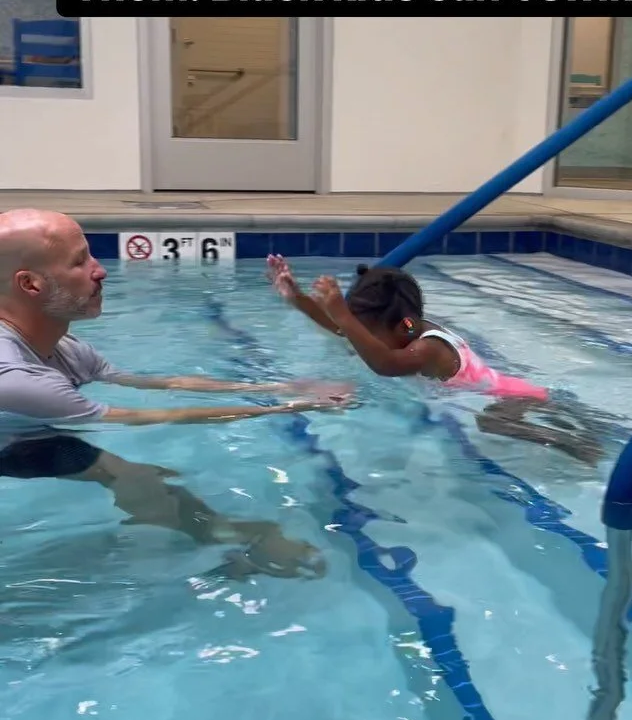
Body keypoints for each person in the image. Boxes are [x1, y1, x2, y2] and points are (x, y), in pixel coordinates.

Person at [0, 210, 352, 580]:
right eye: (79, 262)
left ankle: (225, 542)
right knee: (135, 477)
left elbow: (160, 384)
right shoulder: (16, 377)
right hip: (12, 436)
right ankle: (214, 551)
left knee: (141, 477)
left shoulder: (63, 347)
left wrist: (282, 388)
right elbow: (148, 417)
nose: (100, 270)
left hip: (19, 433)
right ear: (31, 284)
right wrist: (289, 408)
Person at [267, 255, 601, 464]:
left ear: (402, 326)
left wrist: (343, 313)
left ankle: (572, 443)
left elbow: (385, 365)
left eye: (370, 332)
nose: (362, 339)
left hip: (511, 398)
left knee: (491, 423)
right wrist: (297, 298)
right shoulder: (407, 329)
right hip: (500, 395)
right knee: (488, 422)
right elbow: (344, 330)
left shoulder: (429, 348)